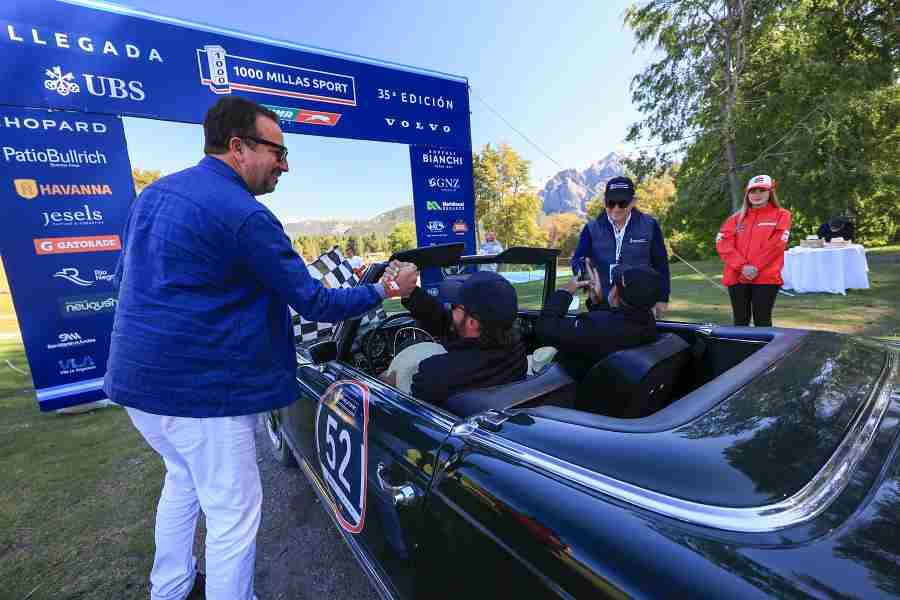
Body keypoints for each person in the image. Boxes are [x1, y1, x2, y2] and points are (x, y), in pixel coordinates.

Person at [104, 97, 417, 600]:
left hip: (136, 387)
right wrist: (384, 291)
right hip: (202, 397)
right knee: (233, 514)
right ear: (238, 147)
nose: (285, 164)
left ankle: (171, 588)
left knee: (182, 481)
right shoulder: (246, 215)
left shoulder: (153, 195)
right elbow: (313, 300)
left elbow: (131, 281)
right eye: (279, 151)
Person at [384, 265, 527, 406]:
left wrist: (389, 379)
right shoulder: (517, 353)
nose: (450, 310)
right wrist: (409, 292)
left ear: (472, 323)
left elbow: (401, 404)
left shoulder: (435, 373)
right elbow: (443, 320)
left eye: (454, 306)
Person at [535, 262, 660, 379]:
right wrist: (598, 302)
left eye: (614, 285)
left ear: (616, 292)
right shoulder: (648, 322)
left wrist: (565, 292)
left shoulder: (595, 325)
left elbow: (546, 329)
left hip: (567, 386)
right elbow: (611, 327)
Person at [571, 176, 670, 319]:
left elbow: (661, 265)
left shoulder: (650, 225)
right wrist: (585, 274)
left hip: (640, 307)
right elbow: (577, 260)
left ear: (633, 202)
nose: (616, 209)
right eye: (610, 203)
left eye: (622, 203)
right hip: (601, 305)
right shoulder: (591, 228)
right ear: (604, 202)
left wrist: (662, 298)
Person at [716, 174, 791, 327]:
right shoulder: (735, 219)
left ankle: (766, 352)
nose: (757, 195)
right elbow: (723, 244)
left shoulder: (782, 215)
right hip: (736, 276)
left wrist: (755, 267)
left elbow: (777, 245)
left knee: (762, 321)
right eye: (753, 191)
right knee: (740, 321)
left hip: (766, 277)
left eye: (762, 190)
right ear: (747, 194)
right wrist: (742, 266)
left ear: (770, 192)